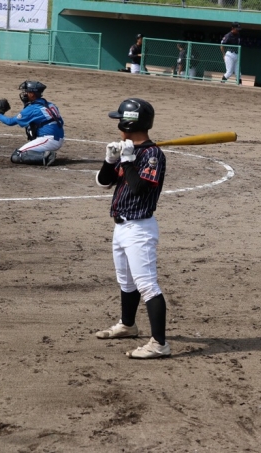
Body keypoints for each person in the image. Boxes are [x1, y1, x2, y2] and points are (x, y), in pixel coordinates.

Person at [94, 98, 171, 359]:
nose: (117, 125)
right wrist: (110, 160)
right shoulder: (129, 149)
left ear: (129, 124)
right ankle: (128, 325)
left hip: (140, 229)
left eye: (120, 121)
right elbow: (104, 182)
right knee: (126, 282)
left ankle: (159, 344)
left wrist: (127, 162)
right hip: (121, 227)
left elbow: (139, 189)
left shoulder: (153, 155)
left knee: (147, 285)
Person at [0, 80, 64, 166]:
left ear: (32, 94)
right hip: (58, 138)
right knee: (32, 126)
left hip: (48, 140)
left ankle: (47, 156)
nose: (24, 94)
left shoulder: (32, 109)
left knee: (17, 155)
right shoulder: (50, 105)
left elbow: (10, 122)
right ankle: (43, 152)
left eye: (26, 92)